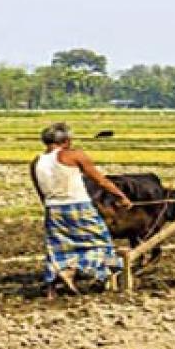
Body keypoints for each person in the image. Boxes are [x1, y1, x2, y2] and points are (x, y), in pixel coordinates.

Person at [30, 123, 132, 299]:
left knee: (58, 248)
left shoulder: (36, 162)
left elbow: (41, 193)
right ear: (67, 141)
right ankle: (101, 274)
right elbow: (100, 180)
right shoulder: (74, 155)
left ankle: (56, 281)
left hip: (53, 209)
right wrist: (121, 197)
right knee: (101, 242)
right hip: (79, 206)